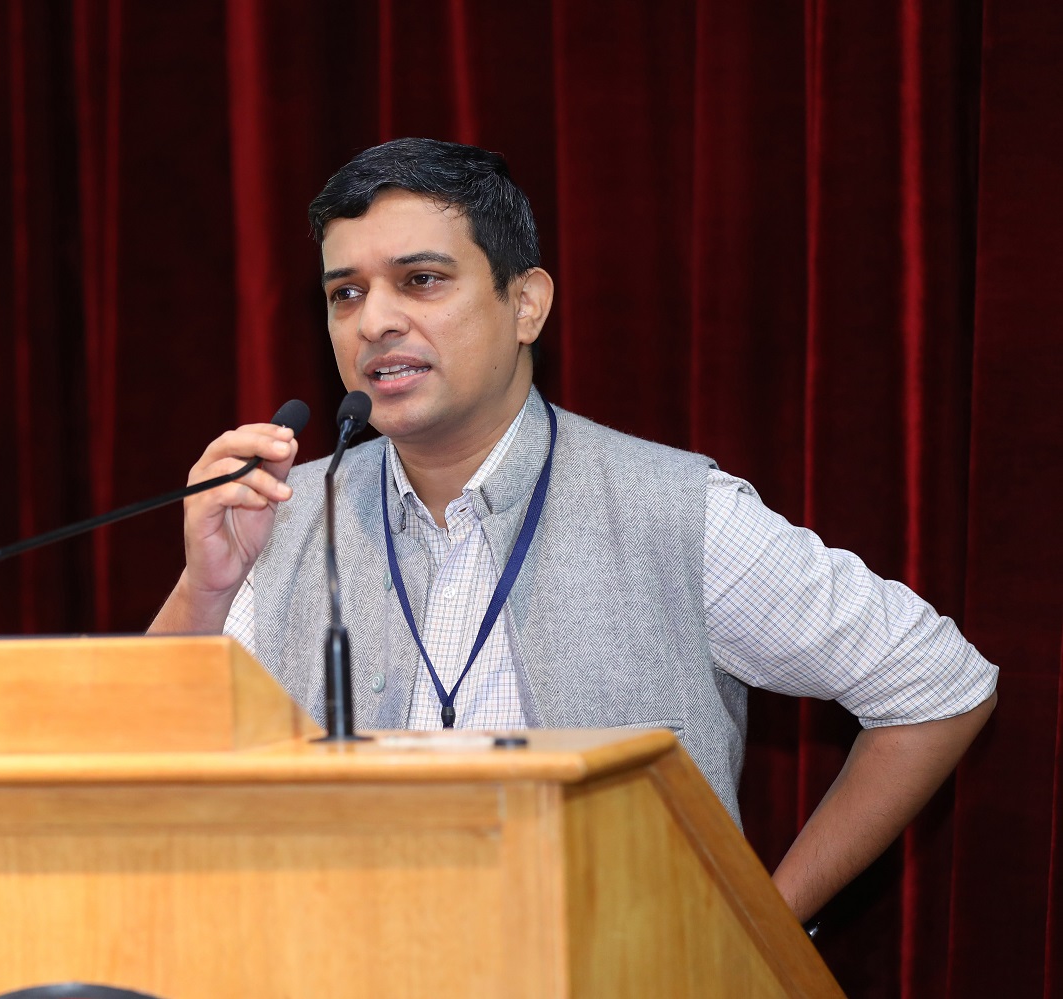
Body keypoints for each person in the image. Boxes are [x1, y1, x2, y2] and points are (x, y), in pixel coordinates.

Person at [148, 137, 997, 923]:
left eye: (422, 280)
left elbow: (936, 686)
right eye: (347, 293)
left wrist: (755, 929)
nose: (374, 322)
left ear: (527, 304)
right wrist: (207, 586)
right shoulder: (286, 515)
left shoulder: (674, 510)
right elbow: (143, 770)